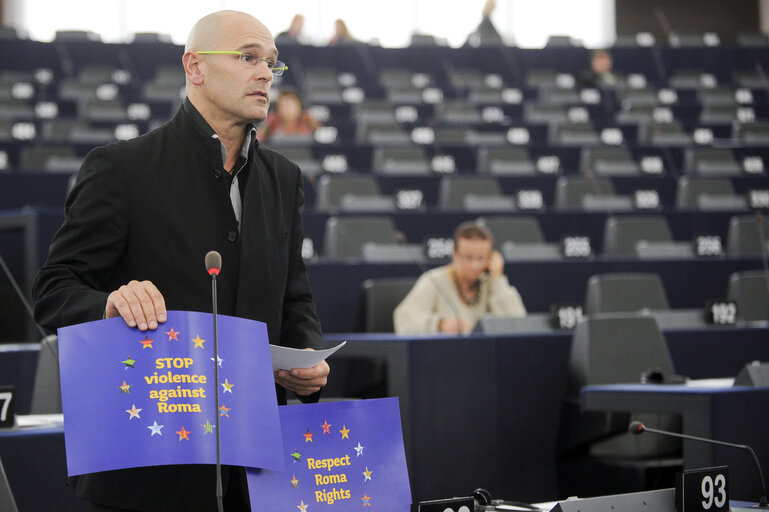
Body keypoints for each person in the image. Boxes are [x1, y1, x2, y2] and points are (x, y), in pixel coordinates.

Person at [32, 10, 329, 512]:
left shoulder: (285, 178)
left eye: (272, 64)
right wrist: (108, 303)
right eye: (248, 57)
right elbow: (54, 290)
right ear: (195, 67)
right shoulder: (121, 169)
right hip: (152, 463)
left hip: (255, 467)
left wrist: (307, 358)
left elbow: (293, 296)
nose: (264, 73)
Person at [393, 221, 526, 334]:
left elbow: (517, 325)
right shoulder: (433, 280)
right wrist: (440, 324)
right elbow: (404, 321)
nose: (474, 266)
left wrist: (498, 278)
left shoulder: (491, 283)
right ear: (455, 254)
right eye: (468, 257)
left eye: (481, 258)